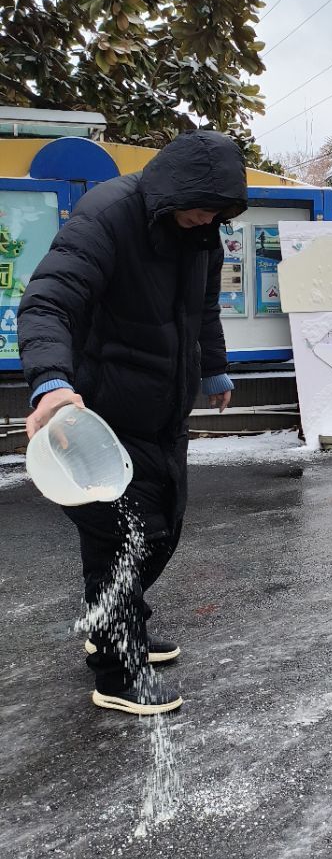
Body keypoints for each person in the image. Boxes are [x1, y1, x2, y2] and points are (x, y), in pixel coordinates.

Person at [18, 131, 248, 715]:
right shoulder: (107, 217)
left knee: (163, 530)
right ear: (173, 193)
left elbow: (203, 308)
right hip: (100, 413)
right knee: (119, 540)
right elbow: (48, 301)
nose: (209, 221)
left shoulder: (201, 230)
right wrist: (51, 383)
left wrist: (214, 368)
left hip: (163, 410)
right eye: (202, 209)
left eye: (219, 213)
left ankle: (114, 620)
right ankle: (117, 671)